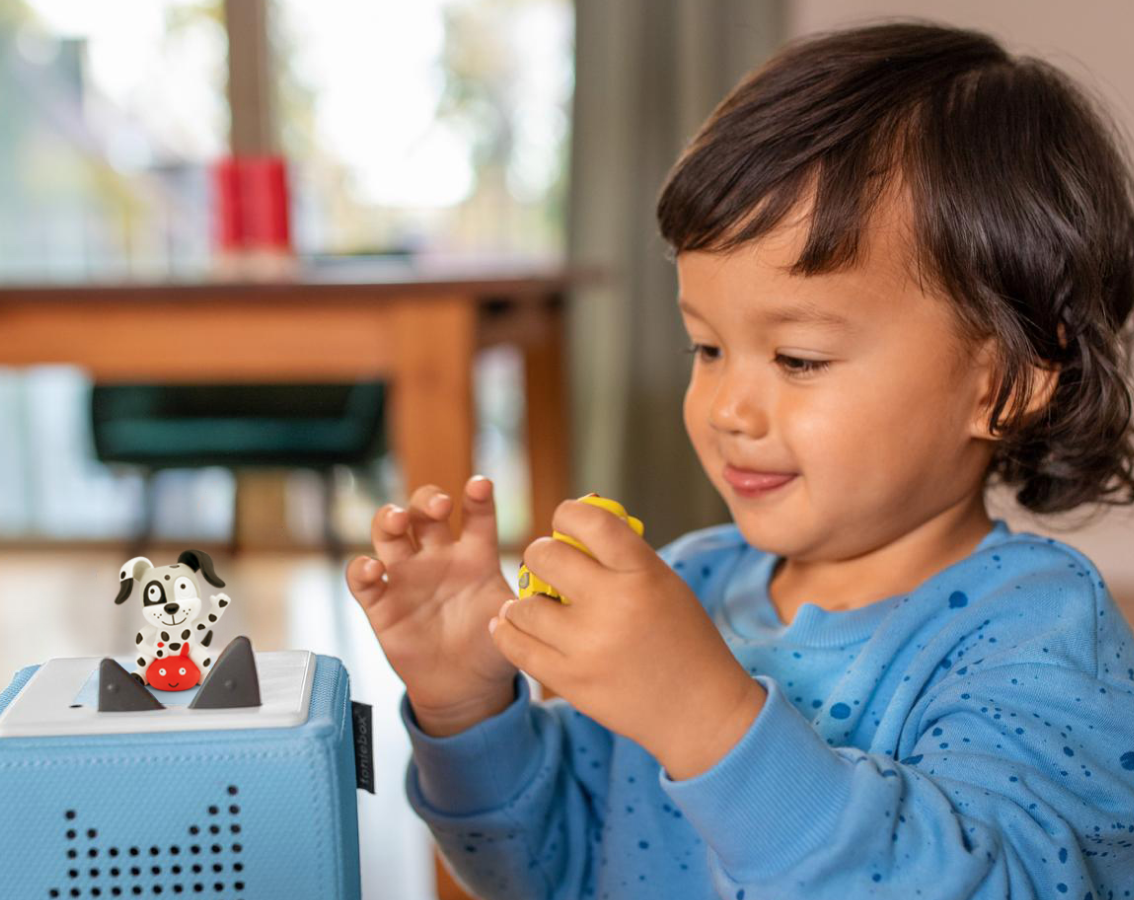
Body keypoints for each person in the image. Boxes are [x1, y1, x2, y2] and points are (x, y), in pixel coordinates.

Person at [345, 20, 1134, 899]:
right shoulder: (687, 589)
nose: (726, 409)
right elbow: (551, 869)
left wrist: (706, 717)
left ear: (1008, 381)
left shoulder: (1037, 632)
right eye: (705, 348)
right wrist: (468, 712)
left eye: (798, 359)